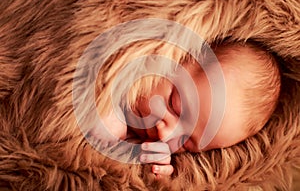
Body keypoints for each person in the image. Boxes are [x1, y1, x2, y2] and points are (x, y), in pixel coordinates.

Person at [90, 42, 281, 178]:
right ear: (176, 55)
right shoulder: (127, 57)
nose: (165, 134)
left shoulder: (155, 143)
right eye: (174, 106)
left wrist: (149, 160)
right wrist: (106, 110)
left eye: (185, 142)